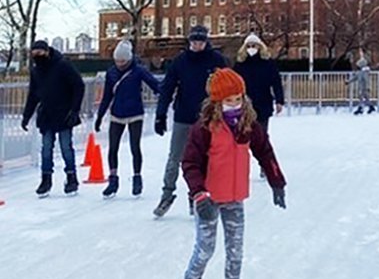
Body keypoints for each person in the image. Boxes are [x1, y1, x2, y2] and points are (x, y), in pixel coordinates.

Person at [175, 68, 286, 279]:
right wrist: (198, 194)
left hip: (235, 198)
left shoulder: (248, 124)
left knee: (236, 250)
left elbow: (264, 152)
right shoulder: (205, 128)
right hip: (208, 200)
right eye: (228, 101)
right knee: (205, 250)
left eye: (238, 99)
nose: (234, 105)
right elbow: (189, 163)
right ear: (216, 102)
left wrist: (276, 181)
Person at [154, 25, 228, 217]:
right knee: (174, 158)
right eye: (194, 42)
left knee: (203, 158)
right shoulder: (180, 61)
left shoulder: (216, 60)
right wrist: (160, 114)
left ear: (206, 41)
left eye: (200, 42)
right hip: (183, 116)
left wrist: (228, 113)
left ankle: (196, 196)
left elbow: (229, 87)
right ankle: (167, 194)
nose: (197, 45)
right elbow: (168, 88)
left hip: (207, 118)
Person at [94, 40, 161, 198]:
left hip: (135, 114)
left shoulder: (138, 71)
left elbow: (154, 85)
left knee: (134, 147)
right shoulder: (111, 73)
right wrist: (100, 116)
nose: (120, 64)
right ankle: (113, 179)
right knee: (113, 148)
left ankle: (137, 177)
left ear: (129, 59)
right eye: (117, 61)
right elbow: (107, 96)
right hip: (117, 114)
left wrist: (166, 95)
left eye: (123, 61)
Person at [21, 40, 85, 197]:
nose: (37, 56)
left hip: (64, 114)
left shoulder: (62, 65)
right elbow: (33, 95)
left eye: (40, 53)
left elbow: (78, 85)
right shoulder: (36, 71)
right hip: (47, 115)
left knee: (65, 147)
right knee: (46, 149)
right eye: (34, 54)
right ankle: (46, 179)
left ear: (47, 51)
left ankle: (71, 178)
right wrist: (26, 116)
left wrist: (74, 110)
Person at [234, 33, 285, 130]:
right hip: (245, 104)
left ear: (259, 46)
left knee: (262, 133)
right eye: (248, 46)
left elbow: (276, 82)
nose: (251, 48)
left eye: (254, 45)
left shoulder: (268, 63)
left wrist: (279, 100)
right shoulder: (240, 64)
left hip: (263, 103)